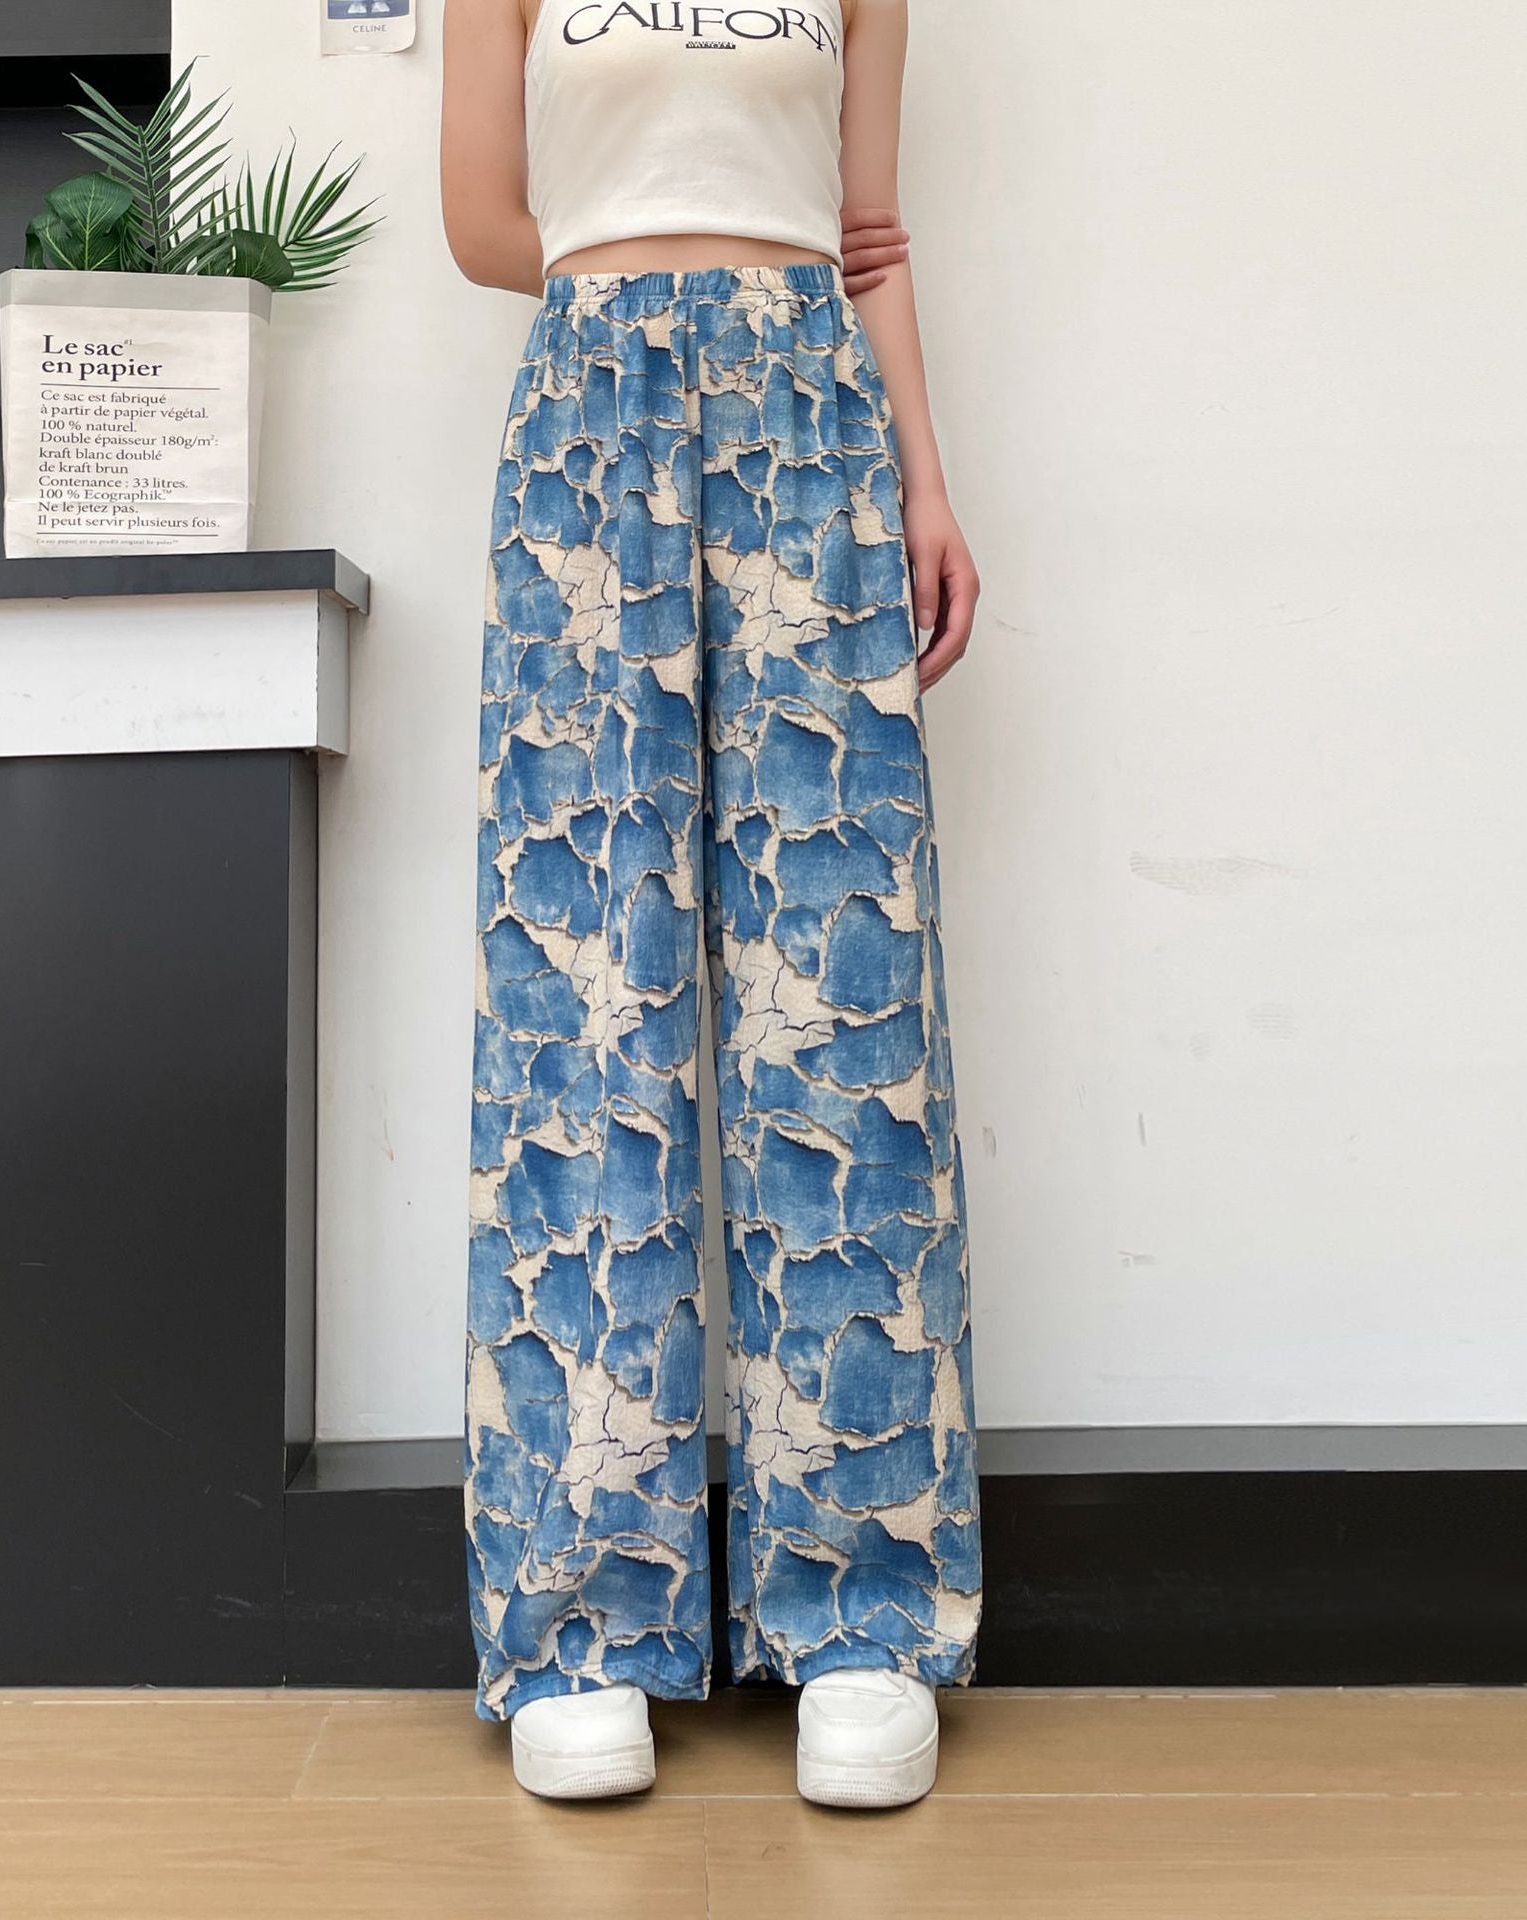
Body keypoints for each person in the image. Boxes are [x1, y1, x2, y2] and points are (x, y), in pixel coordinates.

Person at [441, 0, 982, 1810]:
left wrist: (925, 474)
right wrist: (641, 288)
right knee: (585, 976)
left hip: (814, 416)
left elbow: (869, 235)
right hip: (589, 421)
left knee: (840, 982)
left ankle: (863, 1606)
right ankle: (584, 1614)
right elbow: (482, 221)